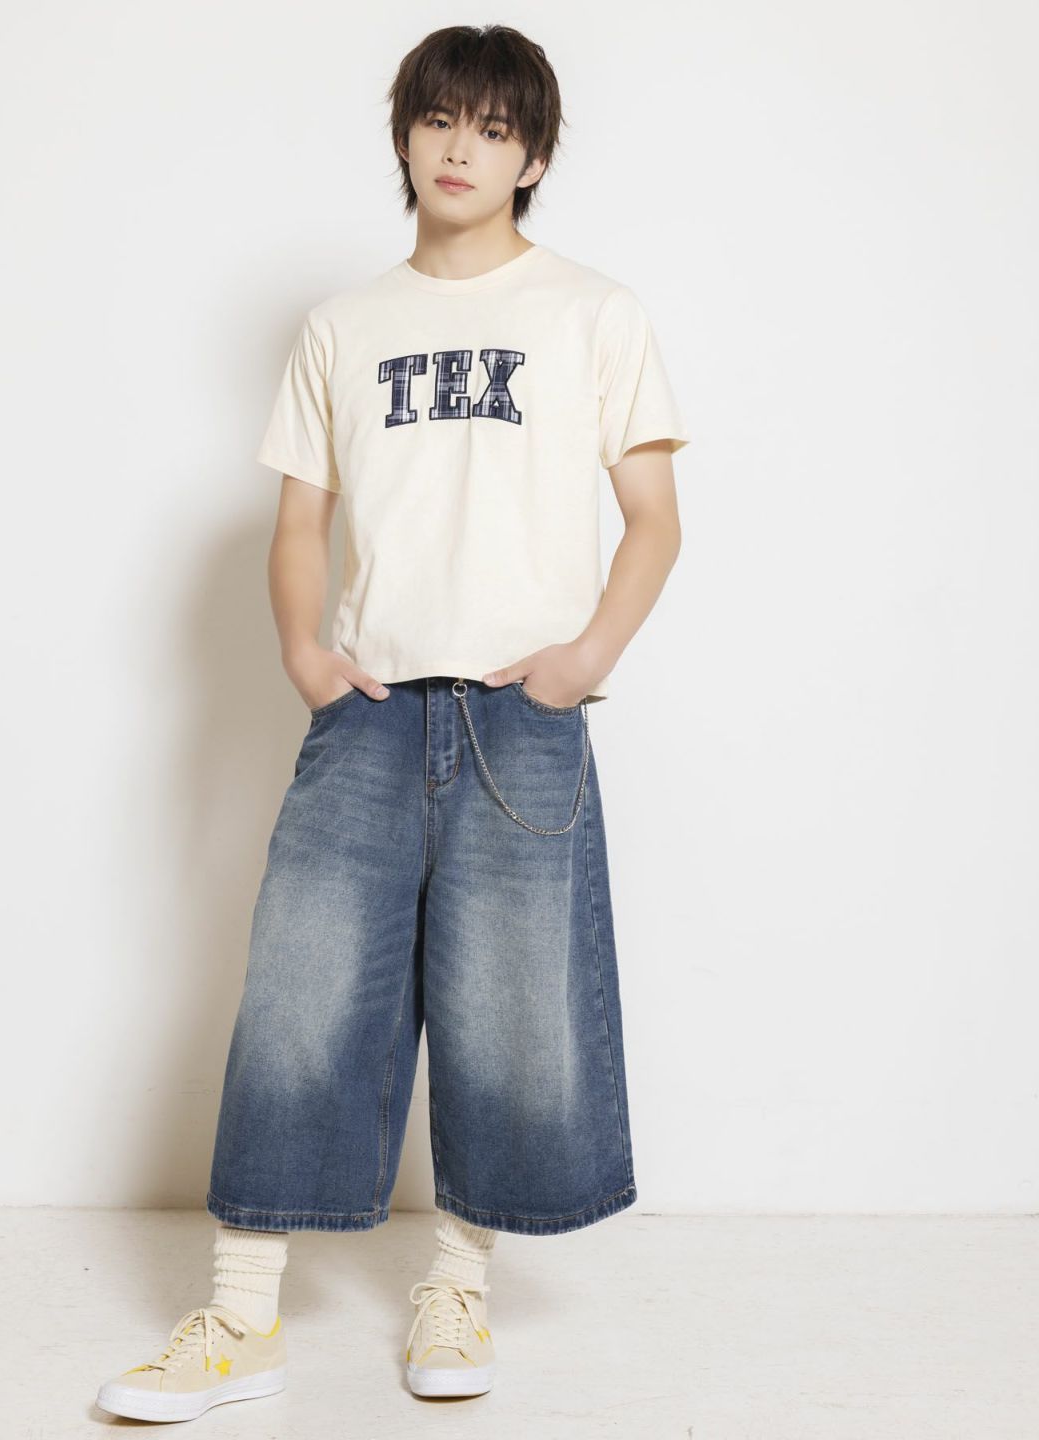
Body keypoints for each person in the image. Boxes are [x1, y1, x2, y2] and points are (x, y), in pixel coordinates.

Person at [96, 21, 690, 1422]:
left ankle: (457, 1288)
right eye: (439, 119)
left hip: (521, 718)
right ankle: (240, 1323)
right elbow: (299, 520)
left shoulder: (594, 313)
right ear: (406, 135)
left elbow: (655, 520)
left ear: (532, 157)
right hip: (368, 713)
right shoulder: (343, 327)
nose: (460, 147)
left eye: (493, 127)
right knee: (299, 999)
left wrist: (582, 660)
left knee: (506, 1012)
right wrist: (305, 656)